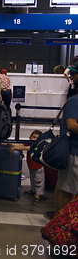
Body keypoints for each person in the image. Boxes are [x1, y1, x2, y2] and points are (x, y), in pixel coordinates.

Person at [54, 61, 78, 214]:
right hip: (73, 153)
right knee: (65, 189)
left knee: (63, 186)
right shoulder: (74, 101)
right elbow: (71, 125)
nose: (72, 77)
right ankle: (61, 226)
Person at [6, 130, 44, 205]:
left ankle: (37, 196)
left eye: (37, 138)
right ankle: (33, 191)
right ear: (30, 138)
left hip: (38, 167)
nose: (35, 139)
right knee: (33, 180)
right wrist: (7, 143)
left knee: (38, 181)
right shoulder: (29, 143)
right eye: (34, 137)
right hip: (32, 166)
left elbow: (26, 148)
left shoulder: (37, 146)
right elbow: (21, 145)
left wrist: (14, 147)